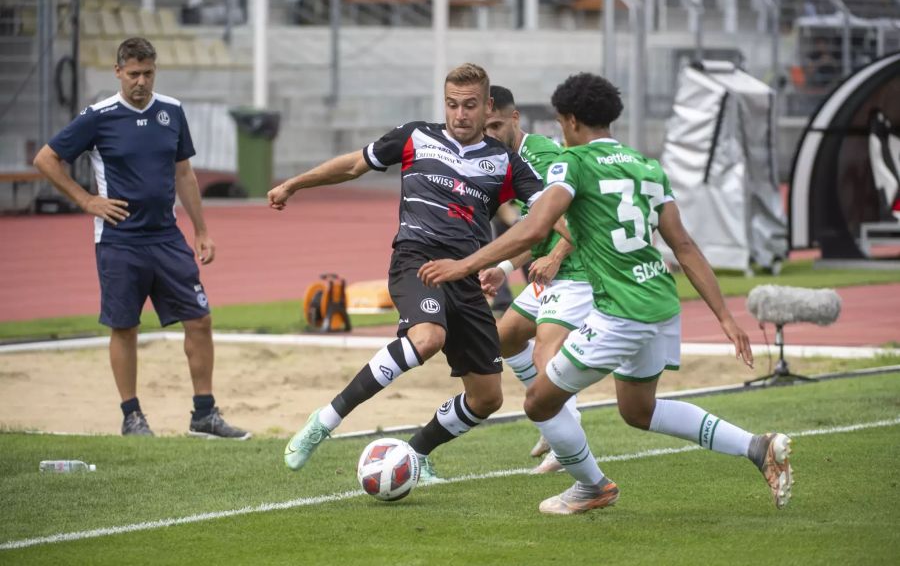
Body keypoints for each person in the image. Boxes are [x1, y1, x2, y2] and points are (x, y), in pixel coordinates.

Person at [418, 73, 793, 514]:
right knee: (638, 411)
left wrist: (466, 264)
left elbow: (535, 226)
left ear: (571, 121)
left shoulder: (572, 163)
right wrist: (726, 319)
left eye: (560, 124)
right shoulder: (647, 166)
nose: (560, 133)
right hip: (660, 301)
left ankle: (592, 486)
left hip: (622, 311)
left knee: (539, 401)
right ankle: (757, 447)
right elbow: (684, 247)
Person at [268, 63, 545, 481]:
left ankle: (415, 455)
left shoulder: (504, 162)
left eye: (470, 106)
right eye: (452, 104)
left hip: (464, 274)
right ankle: (324, 421)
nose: (460, 114)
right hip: (416, 258)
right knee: (428, 337)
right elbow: (353, 166)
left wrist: (551, 249)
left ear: (487, 106)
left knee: (487, 398)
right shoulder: (417, 136)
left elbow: (546, 213)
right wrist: (295, 184)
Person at [32, 37, 249, 440]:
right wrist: (85, 200)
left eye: (148, 73)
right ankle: (132, 416)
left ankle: (204, 414)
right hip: (119, 242)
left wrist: (201, 230)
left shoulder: (172, 111)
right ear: (118, 72)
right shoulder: (98, 116)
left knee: (200, 320)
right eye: (133, 74)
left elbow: (184, 173)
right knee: (125, 327)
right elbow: (46, 159)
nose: (141, 82)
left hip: (167, 238)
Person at [480, 85, 591, 474]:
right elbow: (537, 228)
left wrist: (558, 254)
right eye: (484, 127)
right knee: (505, 337)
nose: (489, 134)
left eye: (496, 125)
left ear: (514, 119)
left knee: (546, 349)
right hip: (553, 271)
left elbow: (580, 217)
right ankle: (552, 419)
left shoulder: (540, 156)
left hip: (579, 269)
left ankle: (565, 431)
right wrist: (506, 269)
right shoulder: (506, 161)